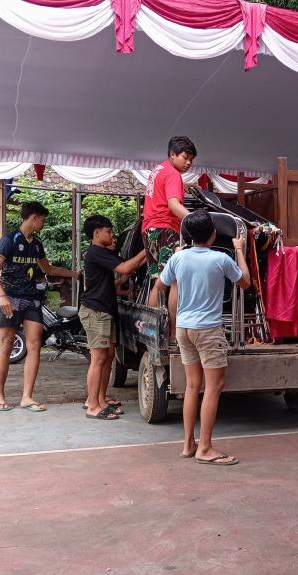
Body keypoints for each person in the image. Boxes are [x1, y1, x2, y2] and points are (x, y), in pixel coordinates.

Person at [149, 210, 249, 465]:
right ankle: (205, 448)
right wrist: (239, 249)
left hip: (184, 329)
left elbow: (160, 286)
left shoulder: (178, 258)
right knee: (213, 387)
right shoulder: (221, 259)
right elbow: (246, 282)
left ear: (189, 235)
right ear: (213, 234)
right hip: (208, 330)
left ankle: (188, 444)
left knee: (192, 386)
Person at [0, 200, 81, 412]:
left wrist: (74, 274)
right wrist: (2, 296)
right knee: (6, 344)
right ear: (33, 218)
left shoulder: (37, 243)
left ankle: (27, 397)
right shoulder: (9, 240)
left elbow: (47, 268)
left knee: (35, 344)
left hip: (31, 299)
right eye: (42, 219)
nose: (43, 223)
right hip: (10, 298)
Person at [79, 214, 148, 420]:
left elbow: (122, 273)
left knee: (108, 356)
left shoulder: (102, 253)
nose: (112, 235)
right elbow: (125, 267)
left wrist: (144, 257)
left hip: (104, 310)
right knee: (98, 358)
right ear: (96, 233)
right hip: (95, 311)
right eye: (108, 231)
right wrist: (147, 248)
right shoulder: (96, 252)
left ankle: (100, 399)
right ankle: (92, 405)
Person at [143, 135, 196, 346]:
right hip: (166, 229)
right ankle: (174, 334)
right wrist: (196, 222)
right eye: (185, 157)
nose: (189, 163)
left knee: (158, 282)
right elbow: (174, 205)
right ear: (172, 154)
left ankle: (152, 333)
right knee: (175, 280)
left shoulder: (159, 169)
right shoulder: (174, 174)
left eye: (191, 159)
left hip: (149, 229)